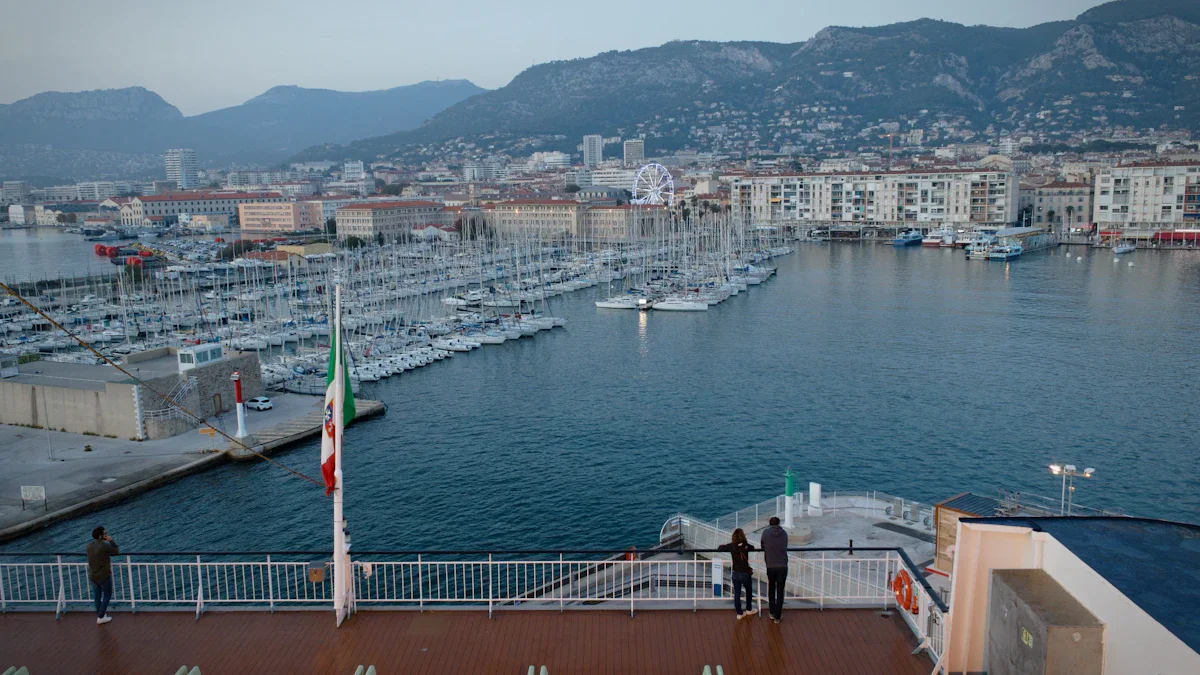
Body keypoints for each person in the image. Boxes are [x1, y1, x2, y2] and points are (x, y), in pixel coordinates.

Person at [717, 528, 756, 619]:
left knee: (737, 593)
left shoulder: (731, 546)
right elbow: (752, 547)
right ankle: (749, 609)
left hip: (735, 573)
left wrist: (729, 545)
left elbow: (719, 548)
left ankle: (739, 613)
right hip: (745, 573)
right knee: (748, 591)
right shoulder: (746, 545)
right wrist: (745, 545)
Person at [87, 526, 119, 625]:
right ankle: (100, 616)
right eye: (105, 534)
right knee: (107, 594)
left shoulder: (89, 545)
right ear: (101, 536)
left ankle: (101, 615)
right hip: (103, 575)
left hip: (92, 575)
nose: (107, 535)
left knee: (97, 596)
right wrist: (111, 540)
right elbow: (116, 551)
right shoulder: (104, 546)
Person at [760, 516, 789, 624]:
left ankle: (772, 612)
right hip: (782, 566)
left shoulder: (765, 533)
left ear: (769, 524)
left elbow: (762, 546)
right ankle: (778, 616)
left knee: (771, 588)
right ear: (779, 523)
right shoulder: (784, 534)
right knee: (780, 591)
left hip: (771, 565)